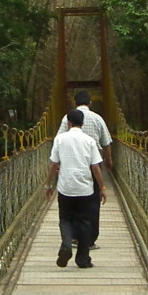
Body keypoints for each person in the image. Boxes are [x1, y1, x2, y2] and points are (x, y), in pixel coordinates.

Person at [48, 109, 105, 269]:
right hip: (85, 188)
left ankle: (67, 244)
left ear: (68, 123)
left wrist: (48, 184)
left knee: (65, 219)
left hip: (65, 187)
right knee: (85, 222)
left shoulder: (59, 139)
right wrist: (102, 186)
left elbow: (53, 164)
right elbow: (95, 166)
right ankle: (83, 259)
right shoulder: (90, 141)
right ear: (83, 124)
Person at [55, 90, 112, 250]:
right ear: (90, 103)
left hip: (71, 165)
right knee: (92, 203)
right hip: (93, 165)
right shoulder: (98, 118)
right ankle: (89, 240)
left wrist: (58, 163)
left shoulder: (67, 118)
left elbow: (58, 140)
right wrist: (109, 161)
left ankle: (73, 237)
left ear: (74, 103)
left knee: (71, 201)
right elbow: (106, 143)